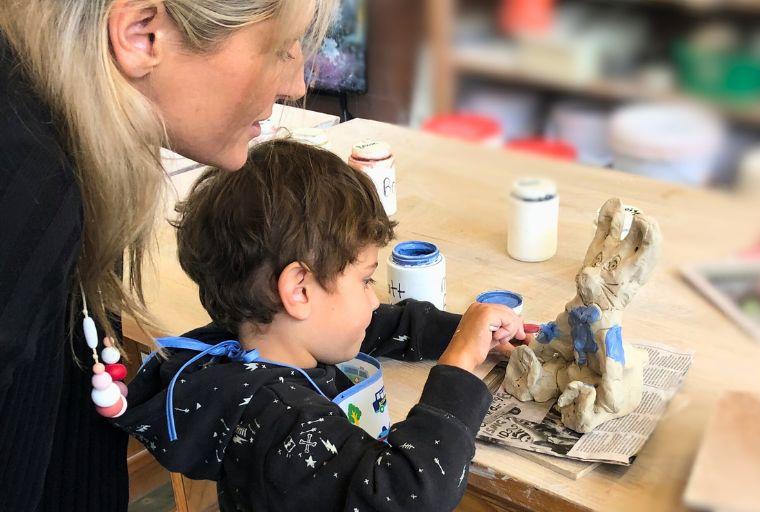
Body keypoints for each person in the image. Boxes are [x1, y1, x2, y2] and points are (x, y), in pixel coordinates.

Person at [0, 1, 334, 509]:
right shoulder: (27, 193)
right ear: (142, 34)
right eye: (277, 49)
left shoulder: (71, 146)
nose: (295, 84)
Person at [114, 139, 528, 510]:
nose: (373, 298)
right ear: (299, 290)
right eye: (366, 280)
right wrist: (457, 368)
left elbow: (373, 324)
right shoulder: (278, 420)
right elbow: (409, 493)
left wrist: (463, 333)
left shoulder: (262, 339)